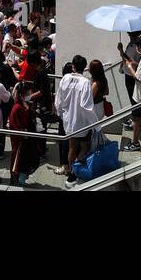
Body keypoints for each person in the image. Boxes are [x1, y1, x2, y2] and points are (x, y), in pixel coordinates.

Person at [55, 57, 99, 187]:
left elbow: (58, 99)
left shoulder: (65, 78)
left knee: (72, 146)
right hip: (81, 121)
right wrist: (96, 125)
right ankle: (75, 172)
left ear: (73, 66)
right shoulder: (85, 82)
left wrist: (61, 114)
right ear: (84, 67)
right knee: (85, 146)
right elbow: (87, 106)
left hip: (68, 120)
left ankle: (71, 170)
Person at [119, 34, 141, 152]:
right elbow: (138, 65)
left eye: (137, 47)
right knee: (140, 116)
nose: (136, 49)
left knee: (137, 118)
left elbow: (138, 77)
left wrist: (129, 67)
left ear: (140, 47)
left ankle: (135, 143)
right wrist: (127, 59)